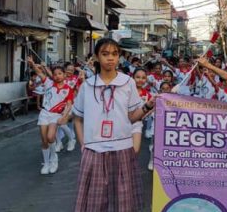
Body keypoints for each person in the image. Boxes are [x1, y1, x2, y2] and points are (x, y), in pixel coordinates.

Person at [72, 38, 155, 211]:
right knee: (94, 204)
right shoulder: (87, 86)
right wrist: (83, 145)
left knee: (122, 204)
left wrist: (148, 106)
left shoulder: (128, 82)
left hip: (122, 149)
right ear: (96, 57)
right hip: (94, 150)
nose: (110, 58)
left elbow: (133, 117)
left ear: (119, 58)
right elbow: (77, 118)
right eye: (105, 54)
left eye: (114, 54)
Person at [27, 58, 74, 175]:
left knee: (50, 137)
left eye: (60, 74)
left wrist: (65, 115)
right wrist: (33, 64)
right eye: (55, 74)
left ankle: (54, 159)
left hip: (55, 115)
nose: (57, 76)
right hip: (44, 113)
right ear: (52, 75)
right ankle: (46, 163)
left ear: (64, 75)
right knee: (44, 140)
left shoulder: (68, 89)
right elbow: (39, 72)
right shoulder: (48, 83)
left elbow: (69, 104)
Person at [133, 68, 155, 171]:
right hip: (123, 124)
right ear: (133, 78)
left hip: (137, 125)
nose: (140, 80)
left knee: (135, 150)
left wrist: (145, 115)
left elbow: (154, 106)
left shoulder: (148, 94)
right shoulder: (127, 91)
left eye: (143, 78)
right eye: (137, 77)